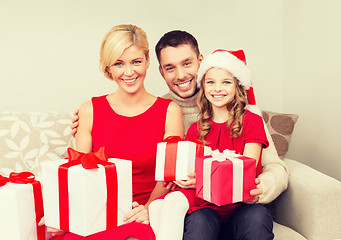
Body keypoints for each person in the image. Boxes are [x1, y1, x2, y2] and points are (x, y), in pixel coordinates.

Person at [72, 30, 289, 240]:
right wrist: (78, 132)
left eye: (187, 63)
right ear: (160, 71)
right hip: (200, 209)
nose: (181, 75)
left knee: (253, 220)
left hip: (243, 206)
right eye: (170, 68)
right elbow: (87, 160)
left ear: (201, 62)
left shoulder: (245, 114)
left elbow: (274, 167)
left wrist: (257, 190)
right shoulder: (166, 110)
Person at [43, 24, 184, 240]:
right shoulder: (89, 110)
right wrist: (65, 218)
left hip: (141, 215)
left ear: (147, 62)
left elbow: (168, 178)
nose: (129, 72)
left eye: (136, 62)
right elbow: (79, 177)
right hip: (95, 216)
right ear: (109, 68)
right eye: (119, 64)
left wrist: (147, 209)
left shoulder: (169, 112)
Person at [149, 49, 272, 240]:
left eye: (226, 82)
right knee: (198, 222)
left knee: (257, 218)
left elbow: (244, 171)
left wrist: (204, 181)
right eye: (210, 82)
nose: (217, 89)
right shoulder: (196, 129)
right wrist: (179, 178)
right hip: (206, 207)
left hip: (242, 205)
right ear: (203, 86)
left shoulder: (253, 122)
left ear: (238, 86)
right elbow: (192, 173)